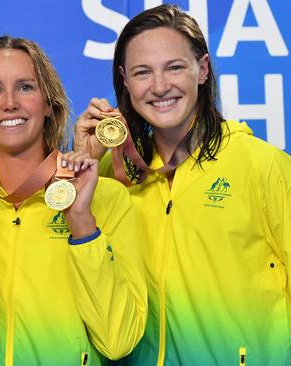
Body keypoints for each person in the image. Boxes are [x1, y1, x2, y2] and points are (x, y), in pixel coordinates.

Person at [75, 4, 291, 365]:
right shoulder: (113, 178)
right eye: (142, 72)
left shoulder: (264, 165)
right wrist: (82, 158)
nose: (160, 87)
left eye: (174, 67)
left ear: (202, 70)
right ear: (125, 82)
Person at [0, 35, 147, 365]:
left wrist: (83, 225)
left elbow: (119, 340)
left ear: (48, 103)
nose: (10, 102)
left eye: (26, 87)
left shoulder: (107, 198)